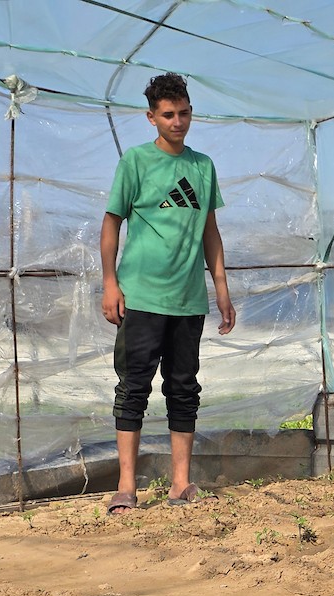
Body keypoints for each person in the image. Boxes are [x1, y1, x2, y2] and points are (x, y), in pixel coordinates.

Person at [100, 72, 236, 513]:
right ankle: (126, 487)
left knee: (183, 387)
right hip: (140, 295)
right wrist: (110, 282)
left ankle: (180, 484)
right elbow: (111, 223)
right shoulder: (136, 162)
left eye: (184, 113)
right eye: (168, 115)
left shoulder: (202, 166)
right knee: (133, 388)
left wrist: (221, 288)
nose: (178, 122)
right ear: (152, 118)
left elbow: (209, 231)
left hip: (187, 298)